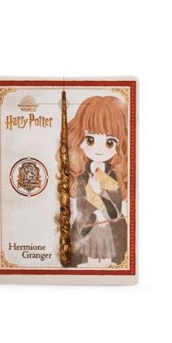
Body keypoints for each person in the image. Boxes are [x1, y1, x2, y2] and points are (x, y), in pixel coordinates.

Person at [67, 95, 129, 268]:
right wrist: (93, 212)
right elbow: (81, 207)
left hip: (110, 225)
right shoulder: (81, 177)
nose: (99, 149)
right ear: (79, 140)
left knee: (110, 254)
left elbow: (116, 208)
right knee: (87, 252)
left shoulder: (114, 176)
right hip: (88, 223)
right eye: (90, 140)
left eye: (109, 142)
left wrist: (101, 198)